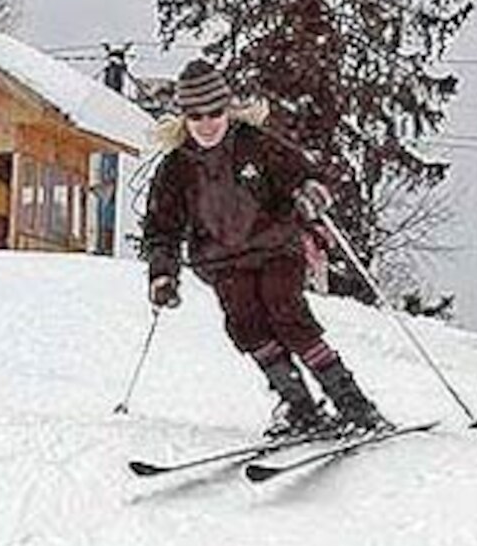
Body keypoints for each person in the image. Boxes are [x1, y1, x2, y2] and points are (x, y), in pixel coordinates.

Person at [141, 59, 389, 437]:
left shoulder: (256, 144)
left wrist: (312, 192)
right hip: (222, 261)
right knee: (245, 324)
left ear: (227, 109)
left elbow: (304, 173)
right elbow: (162, 228)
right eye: (196, 115)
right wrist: (162, 274)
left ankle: (353, 405)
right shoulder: (177, 167)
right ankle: (299, 406)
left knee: (285, 311)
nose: (207, 123)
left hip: (276, 247)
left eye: (214, 113)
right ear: (184, 118)